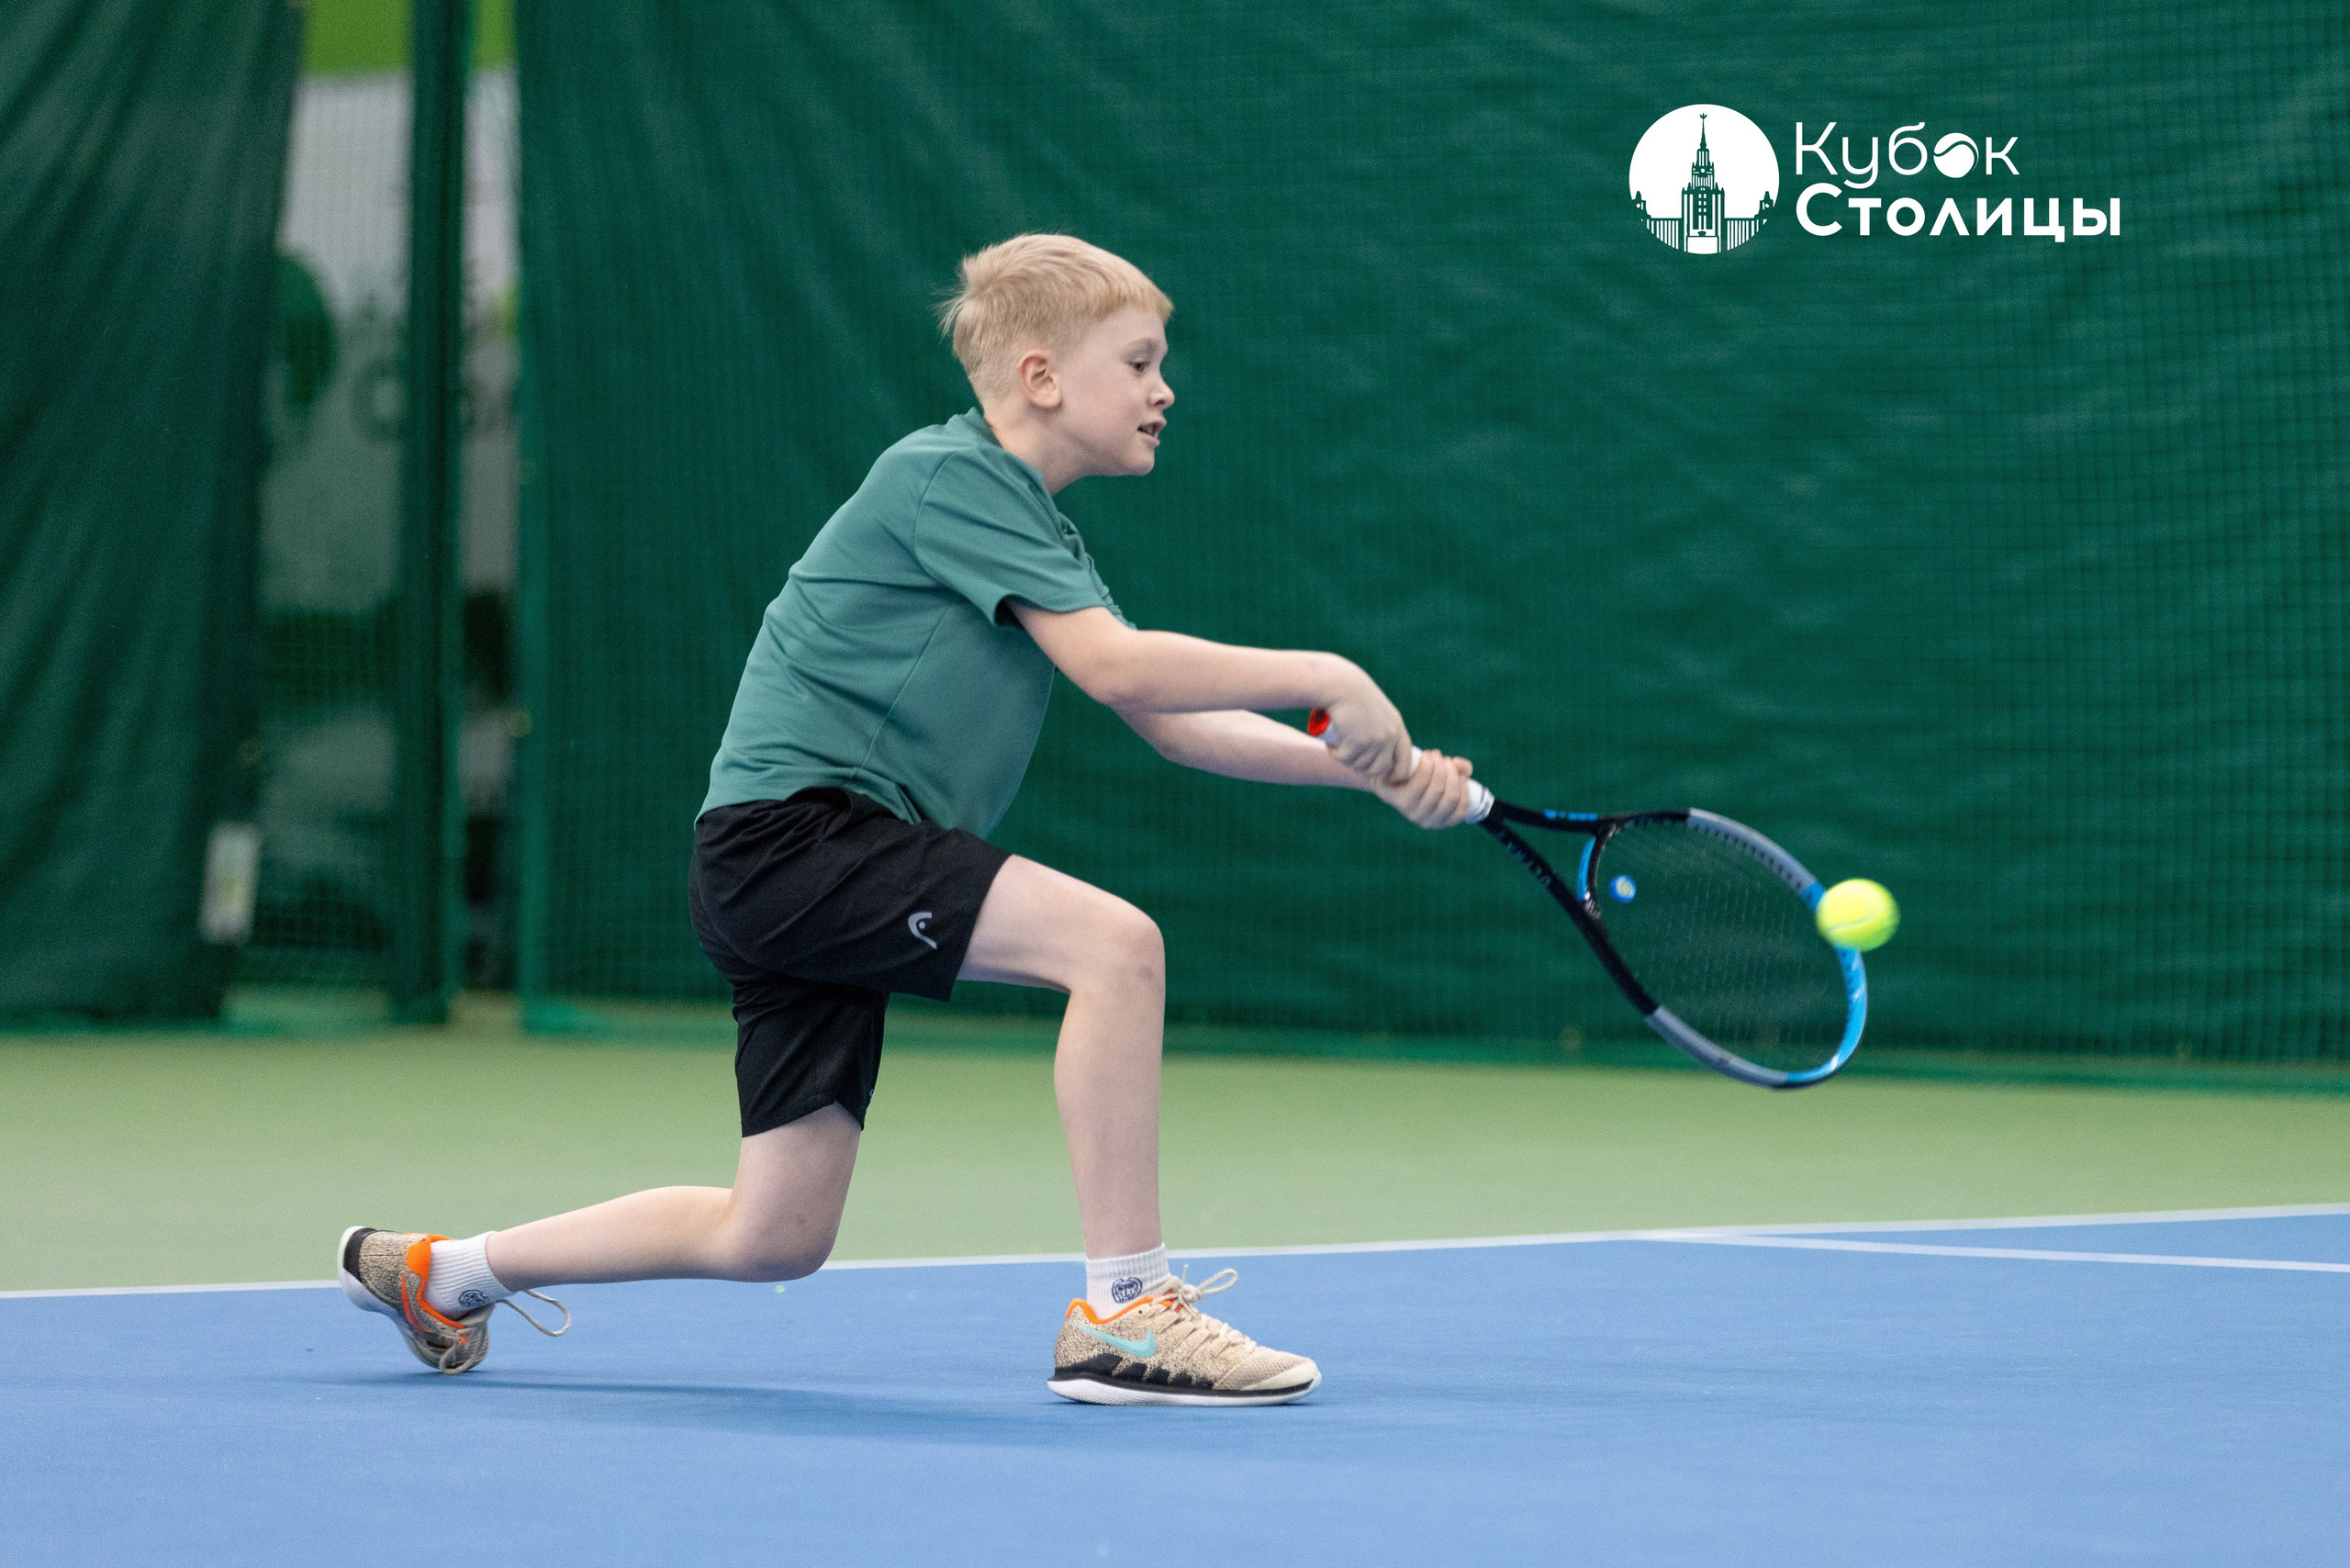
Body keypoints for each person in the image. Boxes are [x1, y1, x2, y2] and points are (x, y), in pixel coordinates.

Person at [340, 233, 1479, 1406]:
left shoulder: (1029, 525)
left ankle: (445, 1272)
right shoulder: (949, 477)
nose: (1164, 389)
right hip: (801, 837)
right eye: (1139, 362)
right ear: (1041, 377)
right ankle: (1127, 1312)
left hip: (777, 863)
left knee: (773, 1233)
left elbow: (1173, 724)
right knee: (1116, 948)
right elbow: (1119, 668)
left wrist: (1371, 774)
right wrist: (1329, 673)